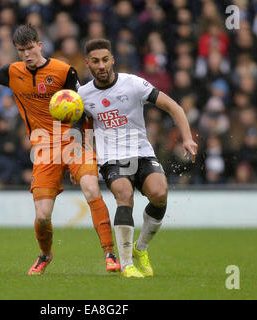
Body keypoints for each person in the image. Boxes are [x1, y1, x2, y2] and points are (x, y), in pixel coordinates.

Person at [0, 24, 120, 275]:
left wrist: (77, 138)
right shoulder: (13, 72)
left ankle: (109, 253)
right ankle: (45, 255)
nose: (27, 54)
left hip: (73, 140)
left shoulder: (64, 71)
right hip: (43, 148)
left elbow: (78, 106)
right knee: (42, 215)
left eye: (30, 48)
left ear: (39, 46)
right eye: (22, 50)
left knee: (90, 187)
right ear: (17, 51)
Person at [76, 39, 198, 278]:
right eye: (95, 61)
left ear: (112, 60)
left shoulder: (133, 84)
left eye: (105, 60)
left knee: (160, 194)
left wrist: (187, 138)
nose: (101, 65)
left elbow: (174, 107)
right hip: (111, 158)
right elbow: (79, 130)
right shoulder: (82, 95)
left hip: (141, 153)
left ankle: (140, 248)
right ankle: (126, 265)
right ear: (88, 64)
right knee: (124, 195)